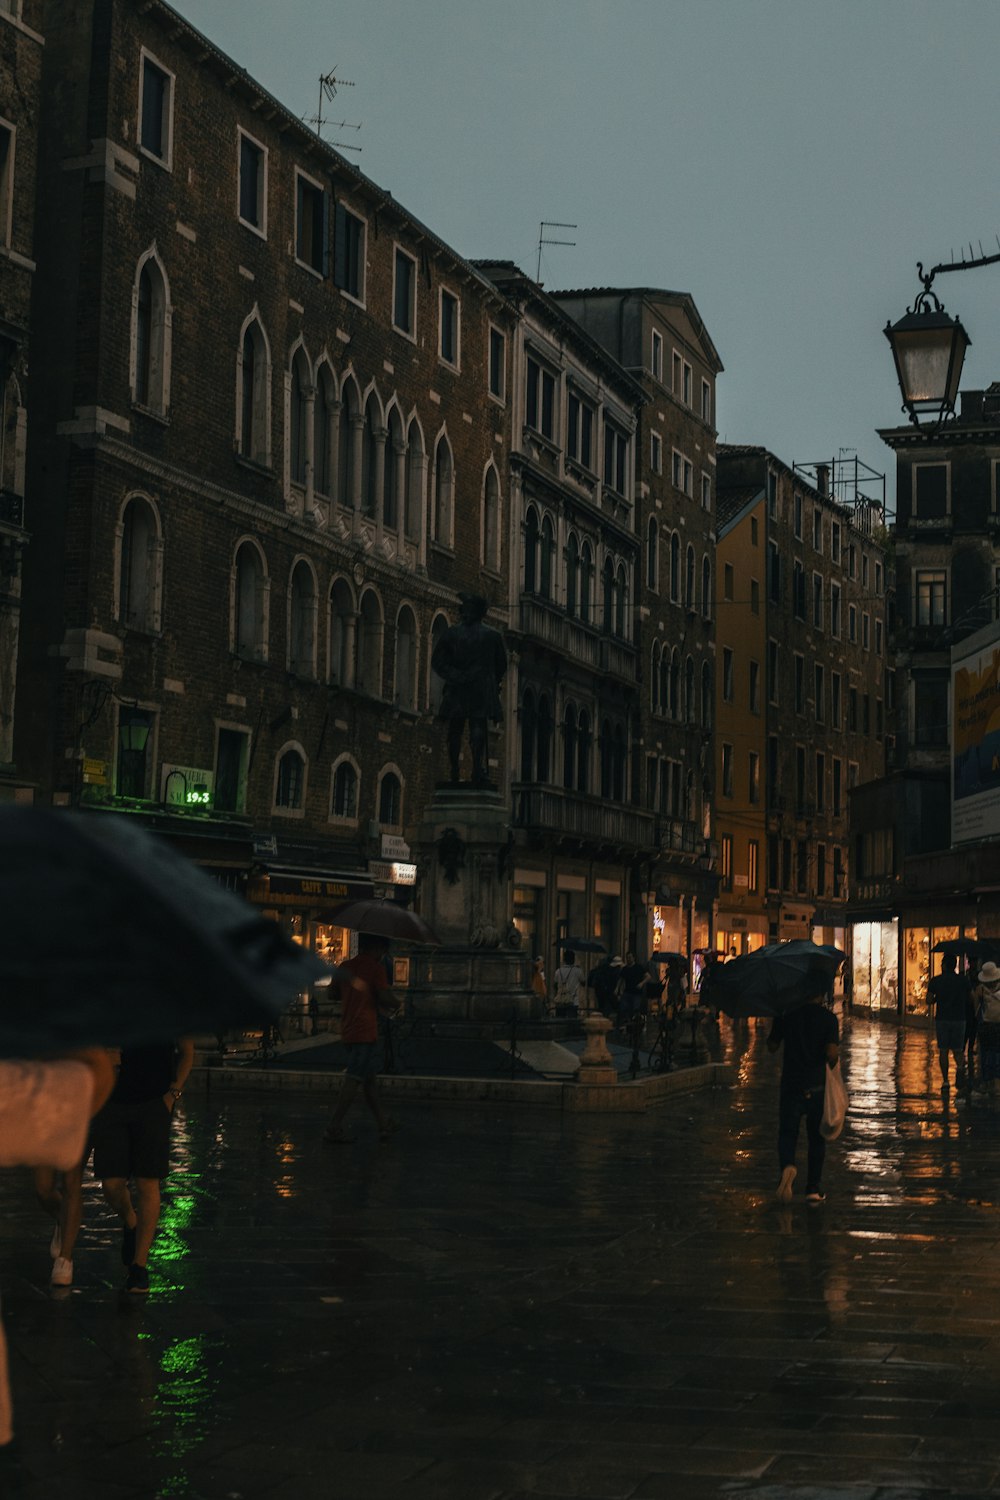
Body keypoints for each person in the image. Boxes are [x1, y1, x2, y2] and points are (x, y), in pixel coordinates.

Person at [1, 1050, 114, 1447]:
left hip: (71, 1108)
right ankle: (62, 1228)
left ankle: (66, 1254)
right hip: (53, 1103)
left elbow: (98, 1073)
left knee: (70, 1186)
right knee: (44, 1191)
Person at [91, 1038, 195, 1294]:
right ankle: (130, 1220)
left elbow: (187, 1052)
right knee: (111, 1184)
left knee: (148, 1182)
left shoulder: (171, 1005)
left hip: (153, 1102)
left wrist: (173, 1093)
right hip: (113, 1101)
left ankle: (140, 1266)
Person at [323, 933, 401, 1144]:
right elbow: (385, 997)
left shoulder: (345, 966)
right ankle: (333, 1126)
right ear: (376, 948)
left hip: (348, 1028)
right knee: (355, 1077)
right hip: (365, 1031)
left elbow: (332, 994)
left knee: (369, 1082)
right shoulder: (376, 969)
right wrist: (398, 1003)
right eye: (383, 951)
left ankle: (383, 1124)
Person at [768, 990, 840, 1203]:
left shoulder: (786, 1014)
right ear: (821, 993)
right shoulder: (829, 1019)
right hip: (817, 1086)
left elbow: (772, 1046)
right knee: (816, 1138)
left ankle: (788, 1165)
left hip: (791, 1084)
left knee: (788, 1133)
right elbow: (832, 1054)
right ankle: (813, 1189)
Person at [430, 594, 507, 787]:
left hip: (457, 687)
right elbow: (502, 665)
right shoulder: (493, 636)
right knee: (477, 726)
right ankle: (475, 770)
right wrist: (492, 680)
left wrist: (454, 675)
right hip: (479, 688)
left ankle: (455, 770)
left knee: (456, 729)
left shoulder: (451, 634)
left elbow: (438, 662)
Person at [927, 953, 972, 1092]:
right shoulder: (963, 980)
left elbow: (928, 1000)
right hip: (959, 1019)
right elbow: (970, 998)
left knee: (943, 1050)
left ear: (945, 965)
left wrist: (937, 999)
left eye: (942, 964)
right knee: (958, 1050)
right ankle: (960, 1071)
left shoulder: (936, 981)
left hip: (943, 1019)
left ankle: (946, 1081)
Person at [972, 960, 1000, 1105]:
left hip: (986, 1026)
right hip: (999, 1026)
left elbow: (976, 1009)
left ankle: (987, 1082)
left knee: (985, 1054)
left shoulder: (980, 989)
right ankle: (997, 1084)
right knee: (997, 1054)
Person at [619, 951, 648, 1028]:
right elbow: (621, 980)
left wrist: (642, 983)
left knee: (636, 1009)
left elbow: (648, 976)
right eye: (627, 958)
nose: (628, 959)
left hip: (637, 992)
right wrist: (617, 989)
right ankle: (626, 1024)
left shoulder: (639, 967)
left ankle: (637, 1025)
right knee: (624, 1008)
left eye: (630, 957)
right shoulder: (625, 969)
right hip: (627, 991)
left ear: (633, 958)